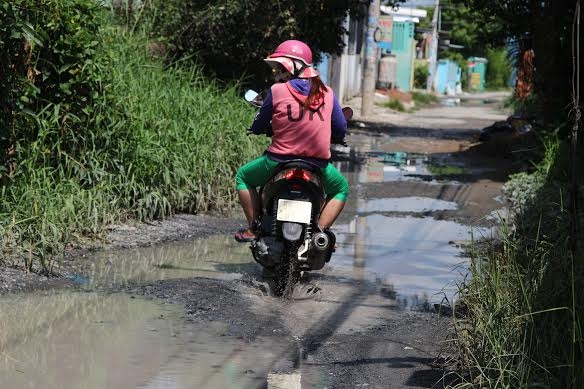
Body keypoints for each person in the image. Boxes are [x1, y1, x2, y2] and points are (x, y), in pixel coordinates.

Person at [234, 40, 350, 242]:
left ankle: (254, 228)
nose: (277, 73)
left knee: (243, 177)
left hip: (278, 161)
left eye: (279, 68)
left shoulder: (277, 91)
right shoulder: (328, 93)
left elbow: (260, 122)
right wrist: (339, 138)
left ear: (292, 67)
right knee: (341, 189)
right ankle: (319, 233)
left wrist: (256, 130)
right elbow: (340, 127)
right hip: (317, 165)